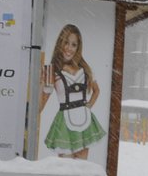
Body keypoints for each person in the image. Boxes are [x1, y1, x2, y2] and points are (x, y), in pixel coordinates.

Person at [39, 23, 106, 160]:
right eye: (66, 43)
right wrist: (40, 85)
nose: (69, 48)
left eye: (74, 44)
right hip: (64, 122)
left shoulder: (85, 68)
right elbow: (41, 104)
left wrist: (88, 107)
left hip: (84, 120)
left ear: (78, 47)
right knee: (66, 168)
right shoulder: (52, 71)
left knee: (81, 168)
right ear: (60, 44)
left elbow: (97, 91)